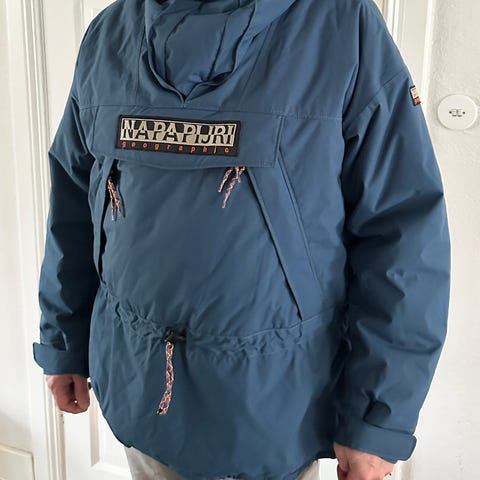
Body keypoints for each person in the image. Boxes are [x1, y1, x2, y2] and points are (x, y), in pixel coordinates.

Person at [33, 0, 450, 479]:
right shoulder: (110, 33)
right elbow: (75, 205)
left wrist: (377, 417)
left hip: (273, 409)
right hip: (139, 393)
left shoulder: (342, 27)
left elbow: (402, 230)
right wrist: (64, 339)